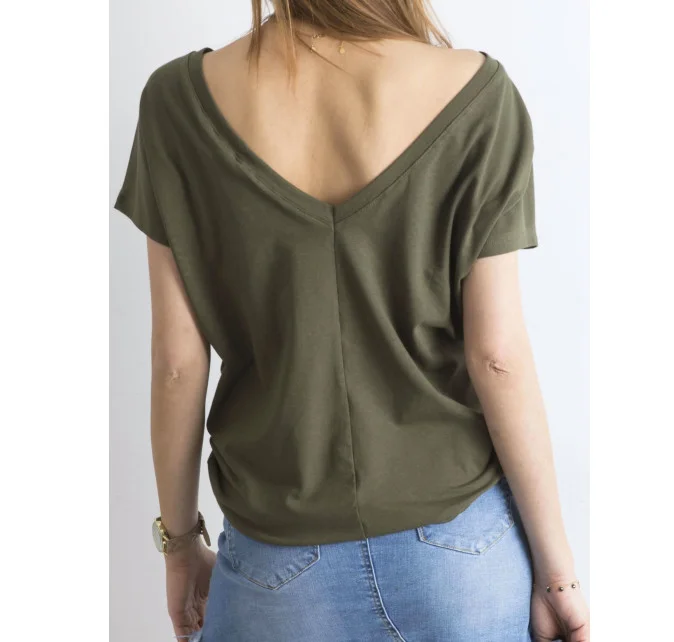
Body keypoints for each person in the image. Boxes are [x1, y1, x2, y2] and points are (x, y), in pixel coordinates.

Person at [113, 2, 590, 641]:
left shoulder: (176, 102)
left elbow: (177, 364)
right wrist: (558, 577)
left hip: (275, 567)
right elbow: (497, 356)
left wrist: (178, 548)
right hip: (460, 559)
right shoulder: (478, 93)